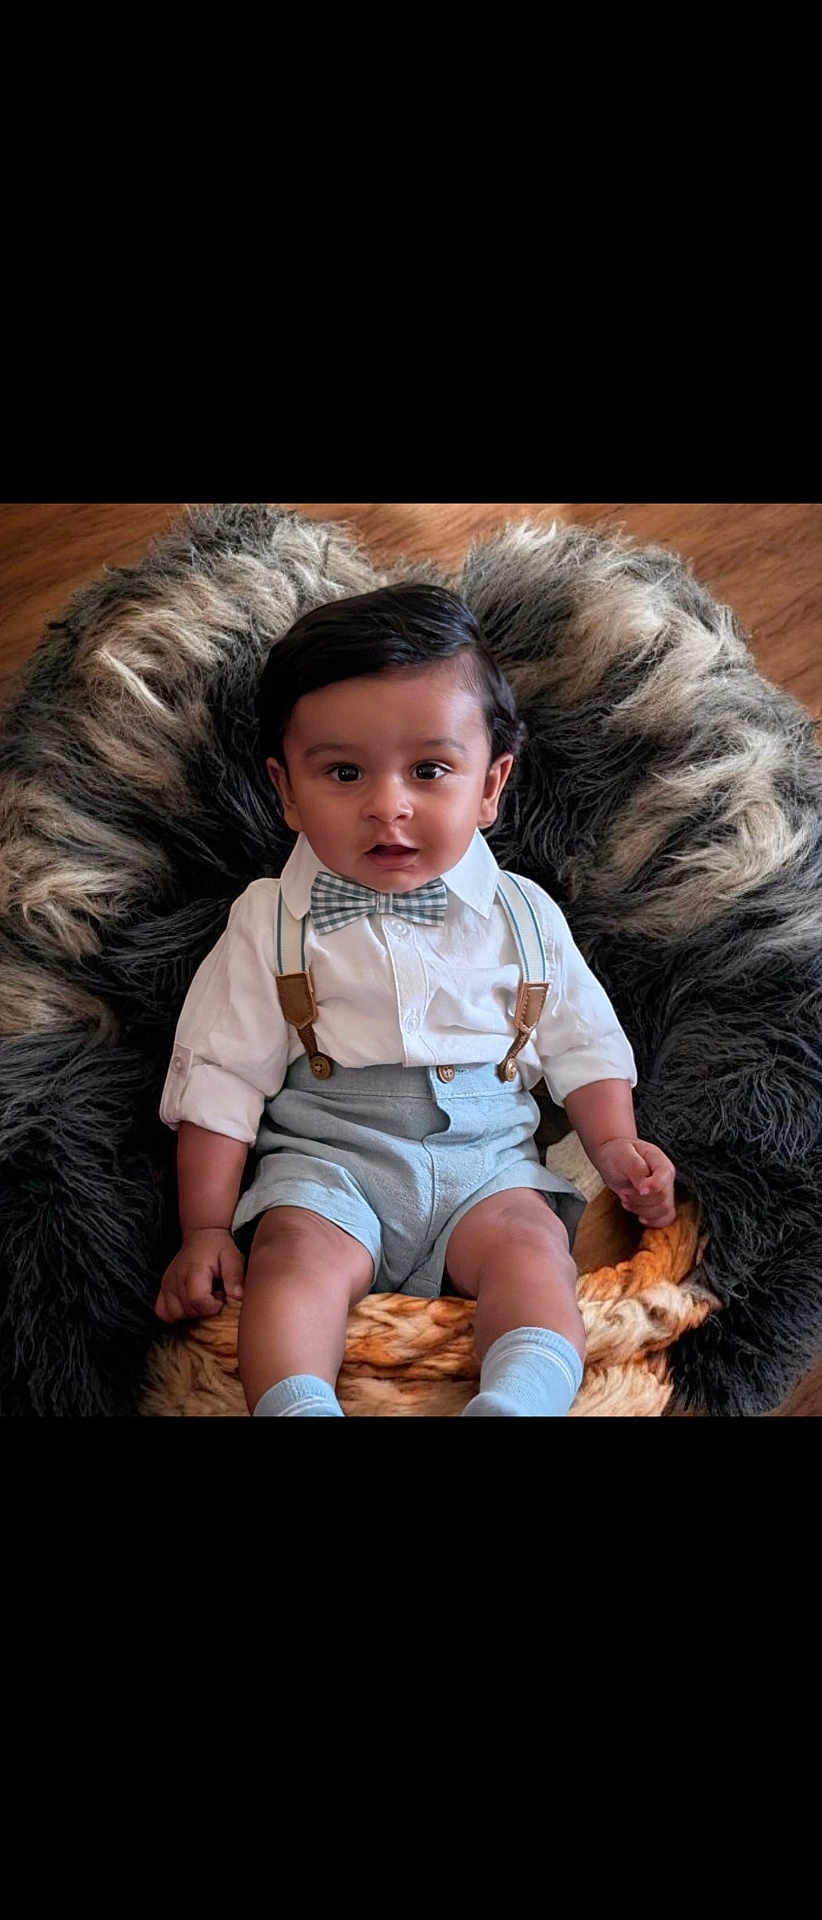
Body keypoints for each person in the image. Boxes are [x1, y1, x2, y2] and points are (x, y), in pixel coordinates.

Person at [155, 584, 676, 1417]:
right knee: (291, 1259)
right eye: (344, 772)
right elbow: (220, 1078)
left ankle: (517, 1401)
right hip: (330, 1158)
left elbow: (584, 1040)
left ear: (491, 785)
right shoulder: (268, 922)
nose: (387, 805)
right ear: (286, 791)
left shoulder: (525, 914)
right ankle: (295, 1406)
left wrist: (615, 1144)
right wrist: (206, 1230)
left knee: (537, 1249)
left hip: (489, 1162)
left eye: (430, 770)